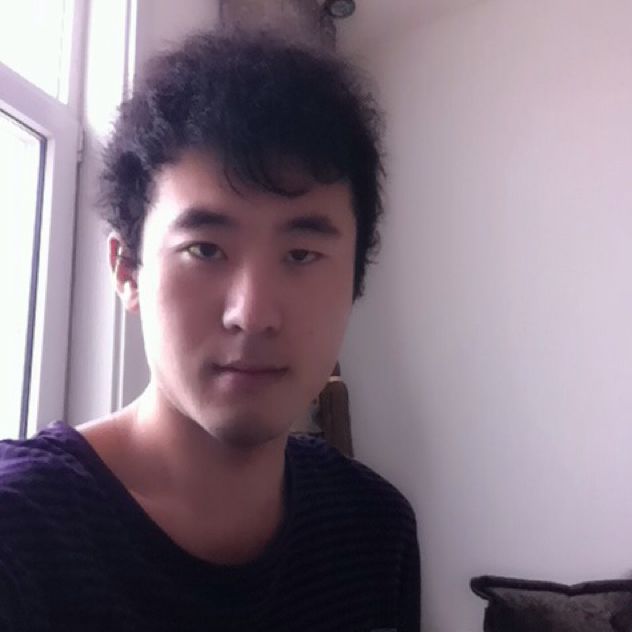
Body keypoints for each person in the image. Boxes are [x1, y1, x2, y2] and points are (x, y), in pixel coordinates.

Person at [0, 30, 420, 631]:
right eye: (205, 249)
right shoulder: (20, 536)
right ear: (127, 270)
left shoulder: (376, 531)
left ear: (354, 279)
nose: (252, 313)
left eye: (301, 254)